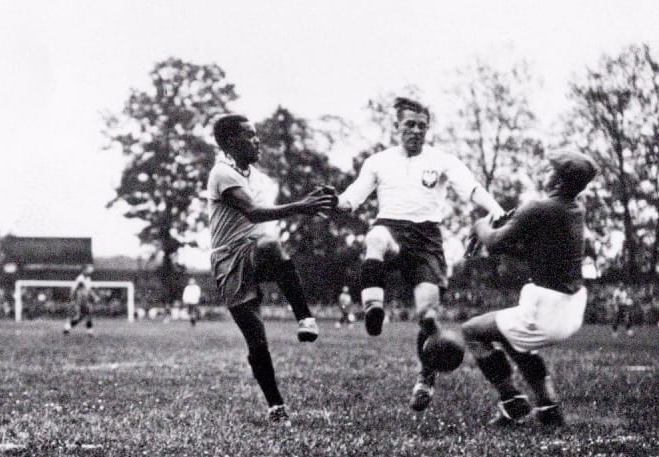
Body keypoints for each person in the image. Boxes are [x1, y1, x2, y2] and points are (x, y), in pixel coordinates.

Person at [335, 97, 505, 412]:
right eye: (409, 124)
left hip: (427, 238)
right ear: (397, 126)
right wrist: (336, 202)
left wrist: (496, 208)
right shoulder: (378, 161)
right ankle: (374, 309)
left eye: (422, 126)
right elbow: (352, 197)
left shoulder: (442, 160)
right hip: (392, 229)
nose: (416, 131)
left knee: (427, 315)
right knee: (375, 237)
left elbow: (471, 187)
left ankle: (425, 379)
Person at [207, 113, 336, 423]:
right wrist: (301, 207)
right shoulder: (222, 173)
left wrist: (310, 209)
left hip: (254, 252)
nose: (257, 140)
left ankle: (305, 318)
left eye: (256, 134)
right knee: (257, 340)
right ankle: (276, 406)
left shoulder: (259, 179)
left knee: (270, 246)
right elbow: (253, 213)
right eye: (249, 136)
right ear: (229, 143)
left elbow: (266, 227)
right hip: (229, 260)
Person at [461, 150, 598, 427]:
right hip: (570, 309)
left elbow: (495, 243)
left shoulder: (538, 207)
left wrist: (481, 227)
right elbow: (535, 253)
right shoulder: (575, 209)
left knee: (472, 332)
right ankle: (549, 406)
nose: (547, 174)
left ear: (558, 182)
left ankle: (511, 400)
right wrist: (514, 228)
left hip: (546, 310)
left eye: (552, 171)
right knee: (513, 339)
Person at [63, 264, 98, 336]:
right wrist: (72, 299)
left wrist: (94, 296)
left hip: (85, 299)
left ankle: (67, 328)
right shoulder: (80, 279)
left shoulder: (88, 279)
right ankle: (89, 333)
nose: (91, 271)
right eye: (89, 269)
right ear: (84, 270)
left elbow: (89, 289)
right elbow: (73, 289)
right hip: (80, 299)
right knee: (85, 315)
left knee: (82, 316)